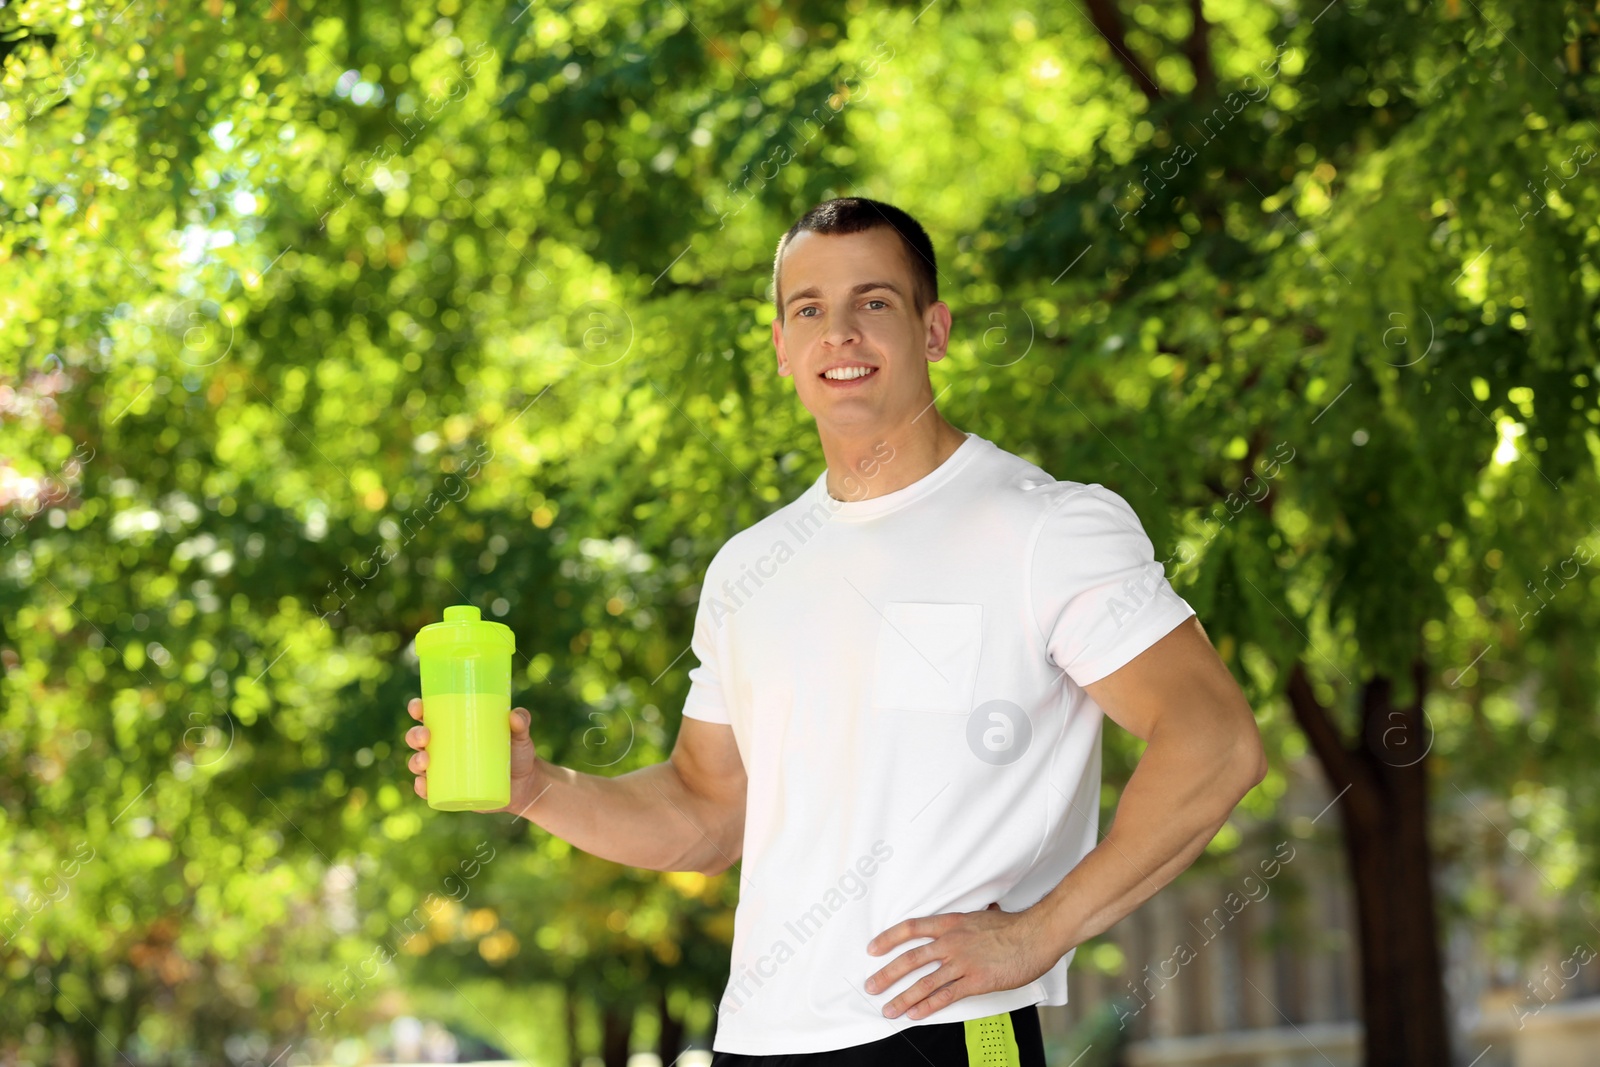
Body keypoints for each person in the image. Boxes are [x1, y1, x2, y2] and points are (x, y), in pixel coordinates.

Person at [403, 198, 1267, 1065]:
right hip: (758, 1039)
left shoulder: (1047, 526)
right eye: (809, 309)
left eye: (875, 303)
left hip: (950, 1033)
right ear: (782, 346)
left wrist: (1039, 932)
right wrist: (538, 787)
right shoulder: (750, 566)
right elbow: (706, 815)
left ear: (934, 330)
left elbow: (1216, 741)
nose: (840, 332)